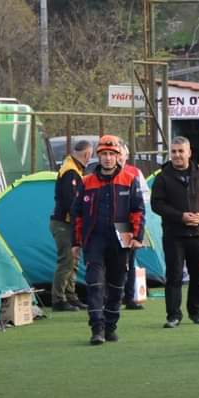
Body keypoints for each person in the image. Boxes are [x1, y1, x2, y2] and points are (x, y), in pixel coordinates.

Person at [71, 135, 145, 345]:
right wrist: (76, 243)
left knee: (116, 286)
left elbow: (138, 210)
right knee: (94, 284)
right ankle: (97, 328)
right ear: (98, 156)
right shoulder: (87, 182)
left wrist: (137, 236)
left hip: (121, 238)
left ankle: (111, 325)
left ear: (118, 157)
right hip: (94, 239)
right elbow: (77, 214)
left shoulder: (129, 180)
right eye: (104, 154)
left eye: (112, 154)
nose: (108, 158)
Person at [151, 137, 199, 328]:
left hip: (198, 234)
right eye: (173, 151)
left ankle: (195, 312)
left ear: (189, 152)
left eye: (180, 151)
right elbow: (156, 204)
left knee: (198, 276)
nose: (177, 155)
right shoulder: (162, 177)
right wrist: (180, 216)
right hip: (174, 234)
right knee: (174, 276)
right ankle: (173, 315)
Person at [50, 139, 92, 311]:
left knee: (73, 260)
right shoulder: (71, 172)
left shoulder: (73, 168)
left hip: (68, 222)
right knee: (66, 261)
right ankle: (58, 299)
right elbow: (71, 202)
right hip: (63, 223)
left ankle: (71, 295)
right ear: (87, 154)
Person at [119, 142, 148, 311]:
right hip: (111, 222)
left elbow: (145, 196)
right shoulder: (103, 173)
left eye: (121, 153)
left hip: (128, 223)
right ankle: (110, 297)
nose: (119, 157)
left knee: (129, 260)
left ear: (126, 156)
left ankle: (130, 298)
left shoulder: (135, 172)